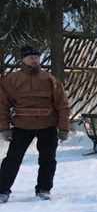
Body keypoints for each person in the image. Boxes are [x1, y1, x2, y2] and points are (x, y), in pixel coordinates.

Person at [0, 46, 71, 203]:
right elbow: (2, 105)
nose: (34, 59)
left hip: (48, 125)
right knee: (12, 159)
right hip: (22, 125)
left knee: (48, 159)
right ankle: (2, 190)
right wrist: (4, 128)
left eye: (36, 56)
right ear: (23, 59)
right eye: (30, 57)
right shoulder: (11, 80)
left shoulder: (49, 79)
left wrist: (64, 127)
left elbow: (62, 105)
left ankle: (44, 189)